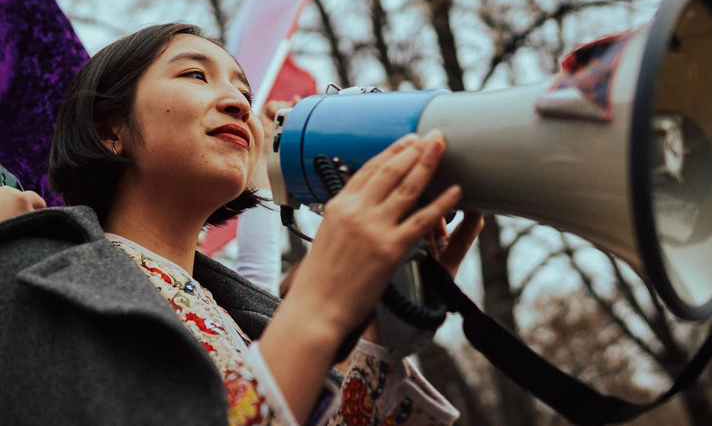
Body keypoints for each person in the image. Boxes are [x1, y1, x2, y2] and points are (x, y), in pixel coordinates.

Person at [0, 23, 483, 426]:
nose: (237, 102)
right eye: (195, 74)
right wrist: (320, 305)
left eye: (244, 92)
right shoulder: (31, 274)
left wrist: (384, 331)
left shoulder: (244, 320)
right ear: (110, 131)